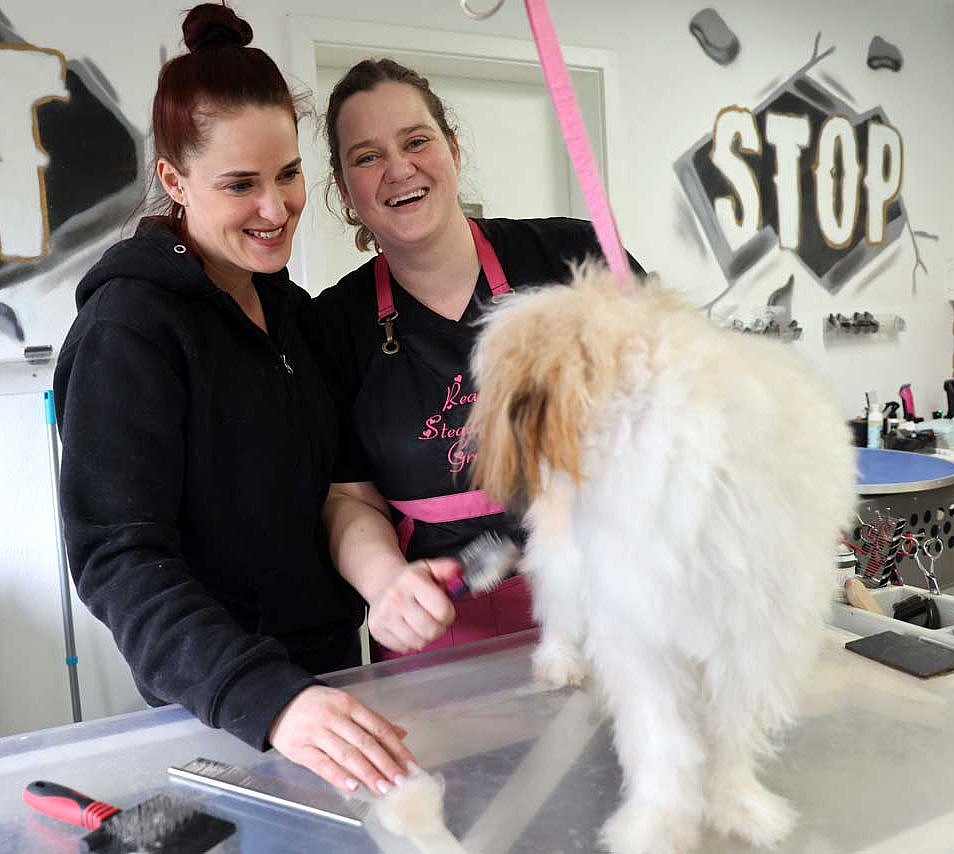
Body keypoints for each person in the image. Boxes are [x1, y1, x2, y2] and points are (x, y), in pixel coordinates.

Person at [53, 6, 413, 798]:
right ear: (176, 183)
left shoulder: (291, 313)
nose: (275, 209)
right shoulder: (131, 329)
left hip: (332, 678)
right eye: (240, 185)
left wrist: (384, 581)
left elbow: (332, 489)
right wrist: (270, 699)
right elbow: (120, 560)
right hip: (227, 705)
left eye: (287, 175)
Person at [310, 58, 644, 660]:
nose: (398, 169)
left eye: (416, 141)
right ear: (343, 189)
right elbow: (348, 498)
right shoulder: (333, 326)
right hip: (439, 637)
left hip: (605, 610)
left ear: (453, 150)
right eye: (366, 157)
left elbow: (678, 406)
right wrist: (387, 584)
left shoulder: (574, 258)